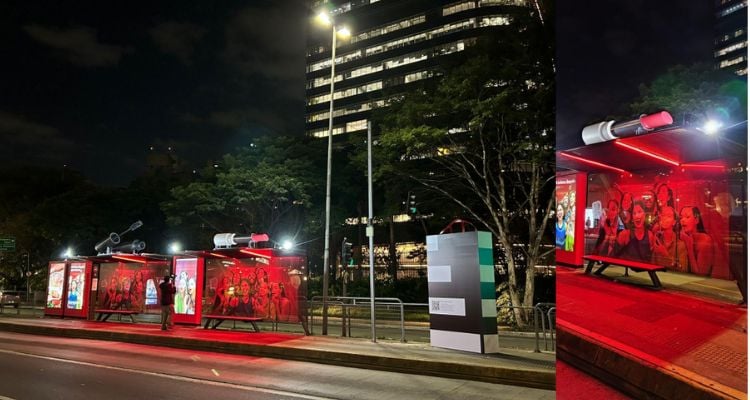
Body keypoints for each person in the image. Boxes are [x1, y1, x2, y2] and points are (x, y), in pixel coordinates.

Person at [679, 206, 715, 276]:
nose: (682, 220)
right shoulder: (682, 237)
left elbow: (700, 274)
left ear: (696, 220)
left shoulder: (705, 240)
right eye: (681, 217)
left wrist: (689, 247)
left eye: (687, 217)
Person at [651, 206, 688, 271]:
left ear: (674, 222)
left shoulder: (680, 245)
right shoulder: (657, 240)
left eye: (668, 216)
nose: (664, 218)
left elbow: (683, 269)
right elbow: (652, 264)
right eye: (663, 215)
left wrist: (665, 254)